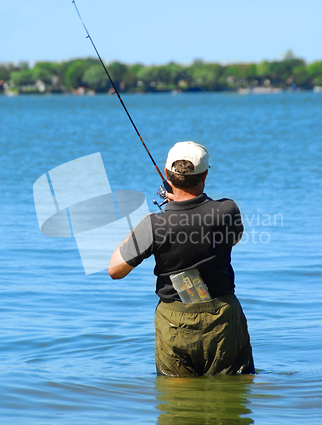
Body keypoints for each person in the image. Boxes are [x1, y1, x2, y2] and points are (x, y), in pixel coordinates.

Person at [108, 141, 255, 376]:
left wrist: (143, 226)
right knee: (231, 402)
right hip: (223, 318)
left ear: (167, 174)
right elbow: (233, 240)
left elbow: (115, 270)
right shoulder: (228, 210)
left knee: (178, 407)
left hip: (175, 322)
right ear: (205, 175)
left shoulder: (154, 224)